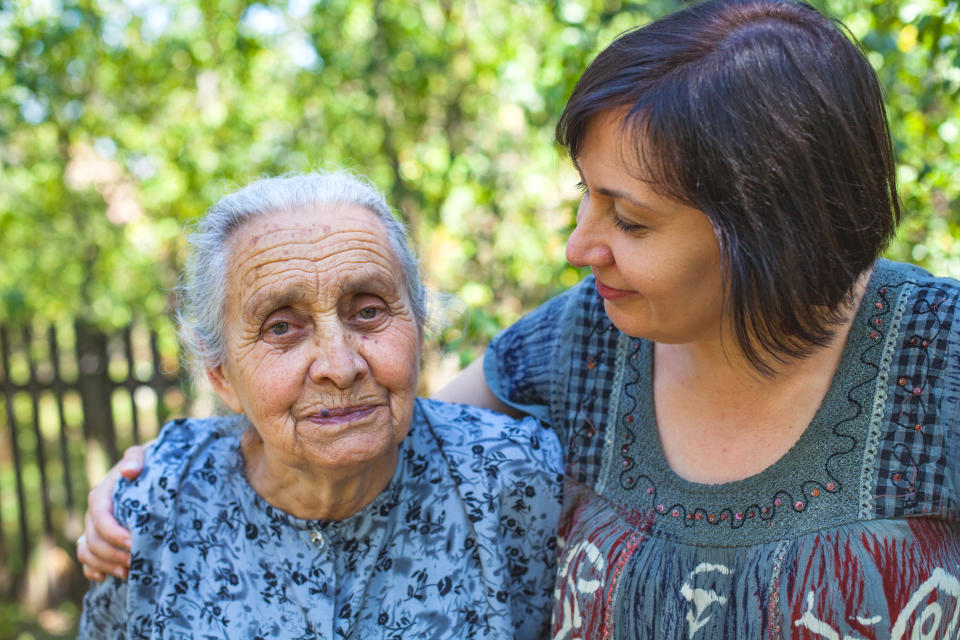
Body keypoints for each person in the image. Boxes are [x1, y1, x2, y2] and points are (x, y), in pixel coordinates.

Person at [80, 0, 960, 637]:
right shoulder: (585, 342)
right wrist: (164, 474)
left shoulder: (940, 359)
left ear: (770, 226)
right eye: (586, 199)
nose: (581, 247)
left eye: (631, 219)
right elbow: (376, 424)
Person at [77, 172, 562, 639]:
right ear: (220, 374)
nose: (340, 364)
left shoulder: (516, 479)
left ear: (418, 327)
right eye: (282, 327)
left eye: (369, 311)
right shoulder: (151, 508)